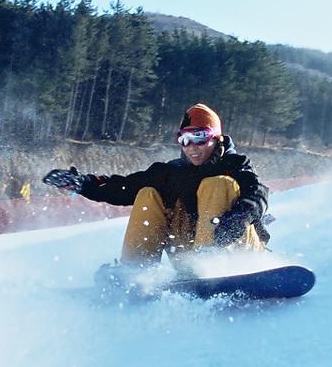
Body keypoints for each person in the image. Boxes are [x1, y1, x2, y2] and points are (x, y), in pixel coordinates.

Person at [42, 103, 269, 270]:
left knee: (217, 184)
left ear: (216, 139)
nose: (191, 147)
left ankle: (209, 262)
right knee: (148, 193)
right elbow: (123, 187)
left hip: (236, 249)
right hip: (190, 254)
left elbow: (257, 195)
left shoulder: (236, 165)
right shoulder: (172, 172)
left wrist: (238, 219)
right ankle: (134, 270)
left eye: (199, 137)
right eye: (184, 139)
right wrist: (84, 184)